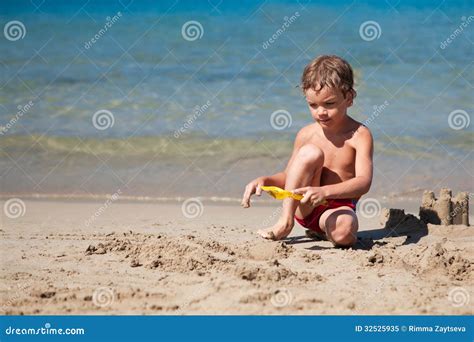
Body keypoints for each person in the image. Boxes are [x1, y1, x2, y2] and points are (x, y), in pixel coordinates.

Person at [241, 55, 373, 247]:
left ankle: (324, 231)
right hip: (304, 206)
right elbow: (289, 176)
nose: (320, 112)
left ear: (349, 98)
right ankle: (285, 221)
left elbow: (363, 182)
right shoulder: (306, 134)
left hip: (336, 208)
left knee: (344, 235)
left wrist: (324, 192)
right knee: (310, 152)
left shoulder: (360, 135)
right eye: (313, 105)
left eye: (329, 104)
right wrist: (265, 180)